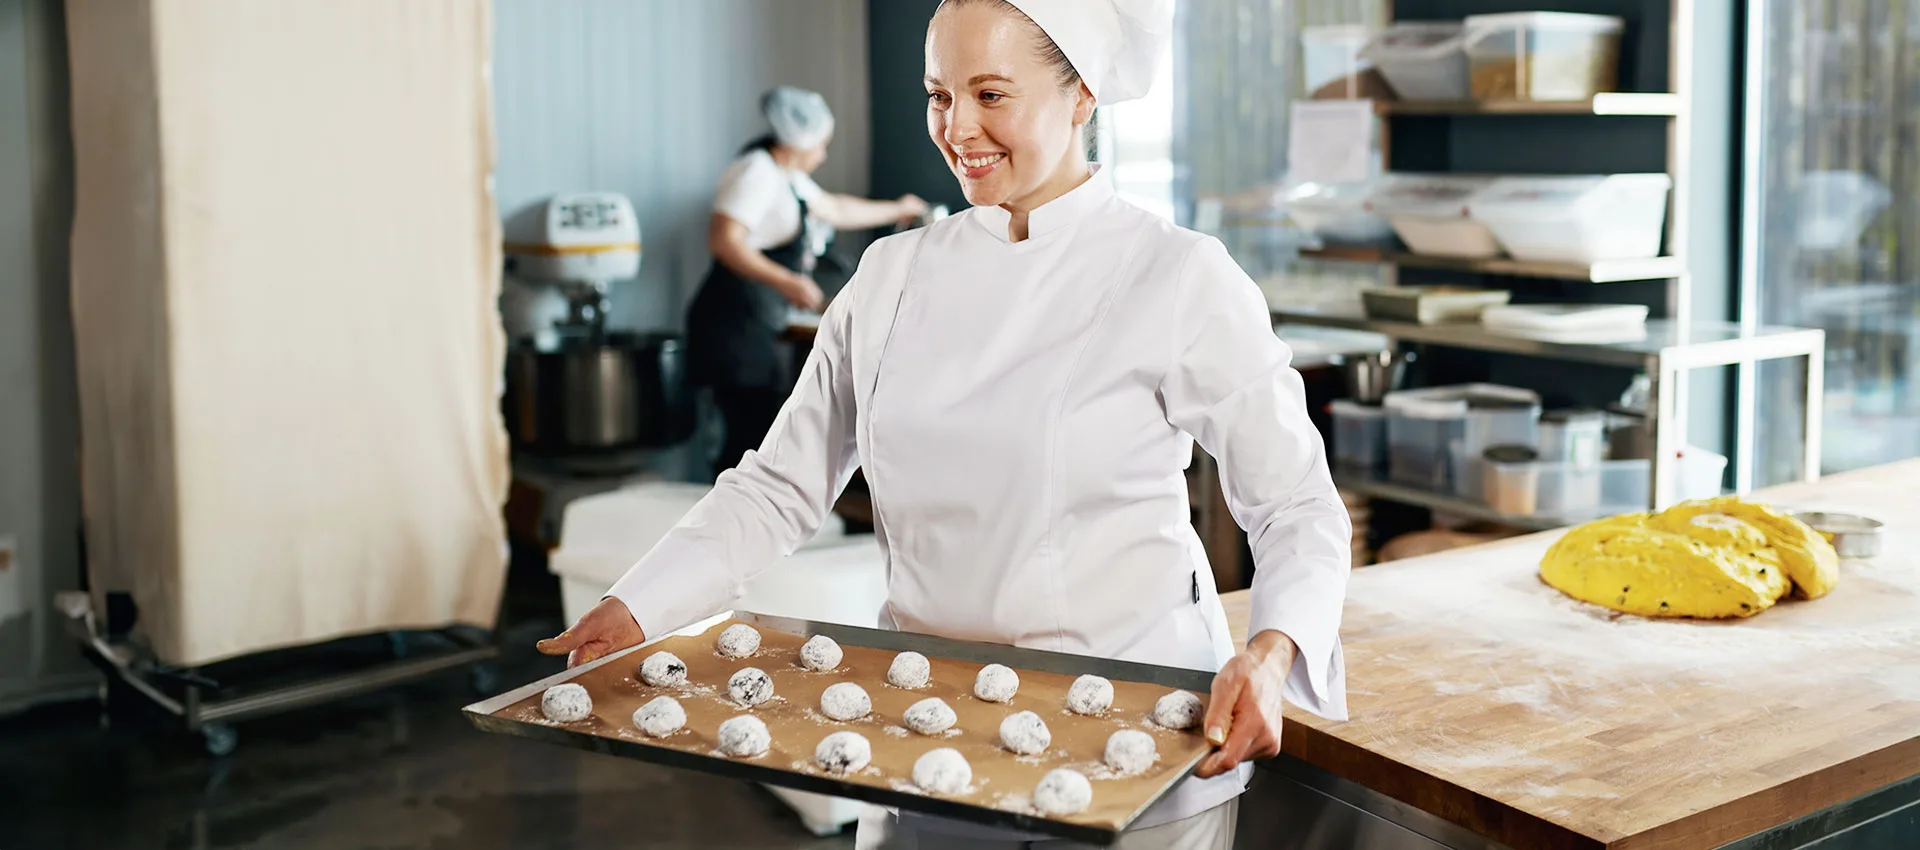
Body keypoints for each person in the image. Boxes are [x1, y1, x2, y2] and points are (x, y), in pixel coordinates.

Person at [540, 1, 1351, 846]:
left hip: (1134, 739)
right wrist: (639, 604)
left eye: (992, 94)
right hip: (923, 728)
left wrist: (1271, 653)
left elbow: (1296, 503)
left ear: (1081, 95)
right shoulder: (891, 276)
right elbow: (780, 484)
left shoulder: (1177, 276)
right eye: (938, 95)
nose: (957, 128)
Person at [686, 85, 929, 477]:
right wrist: (788, 281)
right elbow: (724, 240)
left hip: (757, 321)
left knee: (755, 432)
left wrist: (898, 208)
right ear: (800, 142)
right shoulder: (757, 172)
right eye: (822, 144)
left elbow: (834, 209)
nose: (824, 154)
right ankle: (733, 532)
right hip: (733, 325)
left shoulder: (788, 176)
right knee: (745, 439)